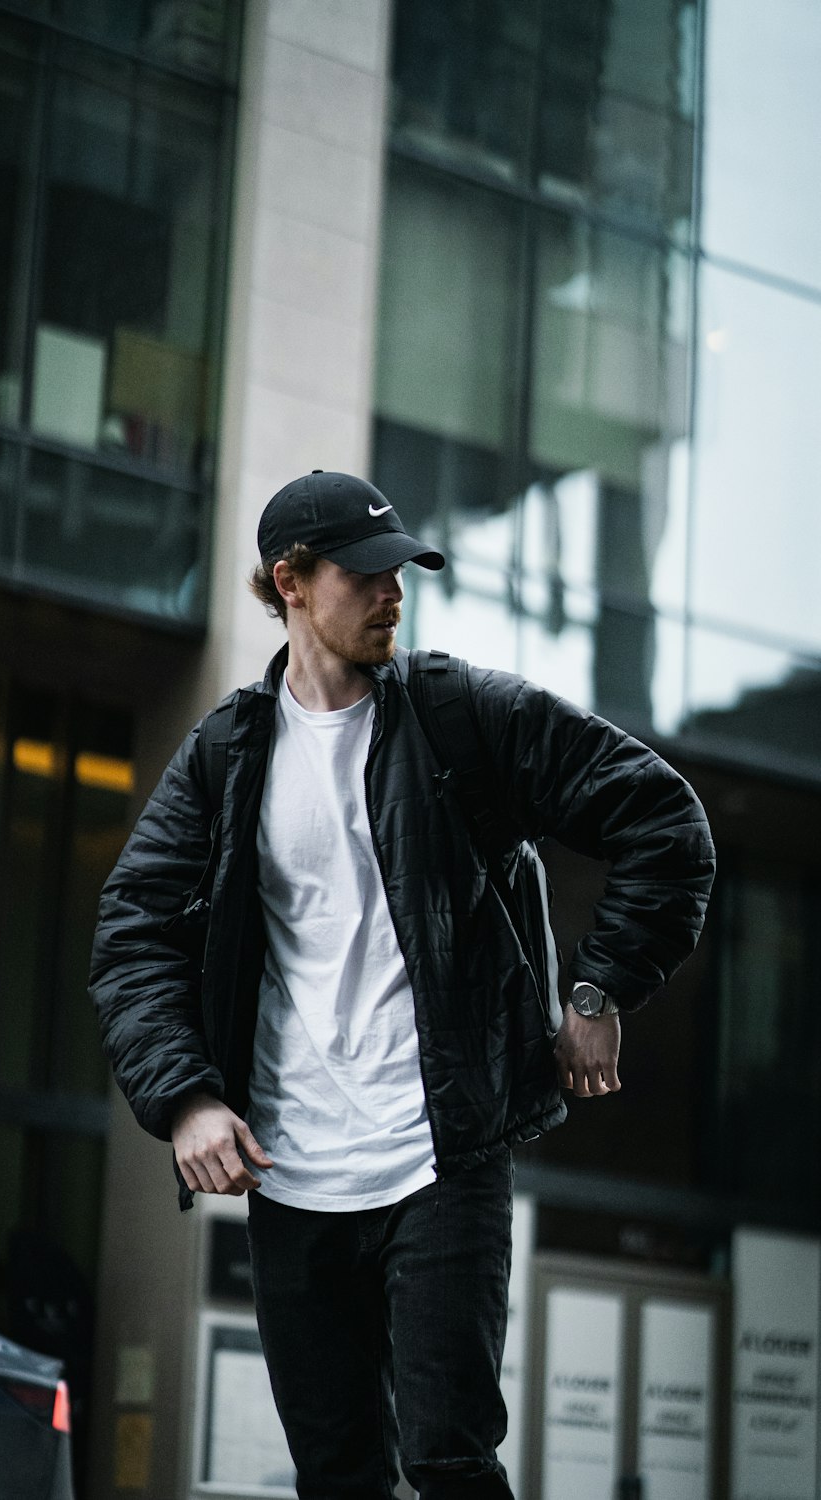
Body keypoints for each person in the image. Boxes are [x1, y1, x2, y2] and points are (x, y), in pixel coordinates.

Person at [90, 470, 715, 1499]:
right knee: (336, 1474)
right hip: (290, 1178)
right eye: (367, 573)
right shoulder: (226, 757)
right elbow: (131, 933)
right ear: (290, 581)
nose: (393, 593)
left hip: (441, 1162)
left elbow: (663, 820)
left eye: (402, 573)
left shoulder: (459, 717)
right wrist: (190, 1098)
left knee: (448, 1462)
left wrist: (600, 990)